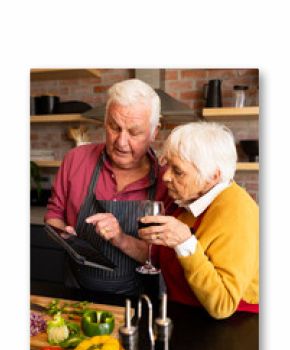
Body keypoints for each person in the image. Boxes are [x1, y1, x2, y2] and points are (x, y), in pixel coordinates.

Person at [45, 79, 173, 298]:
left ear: (154, 132)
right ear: (105, 122)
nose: (122, 142)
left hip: (141, 301)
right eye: (115, 127)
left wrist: (120, 238)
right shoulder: (76, 160)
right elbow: (53, 216)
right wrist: (64, 237)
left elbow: (166, 257)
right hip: (76, 293)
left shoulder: (168, 179)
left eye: (134, 133)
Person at [138, 122, 259, 319]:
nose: (166, 177)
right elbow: (161, 255)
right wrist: (118, 238)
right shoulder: (188, 201)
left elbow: (223, 304)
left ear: (213, 176)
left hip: (232, 327)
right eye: (167, 164)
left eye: (178, 171)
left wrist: (185, 242)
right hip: (186, 316)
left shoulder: (237, 212)